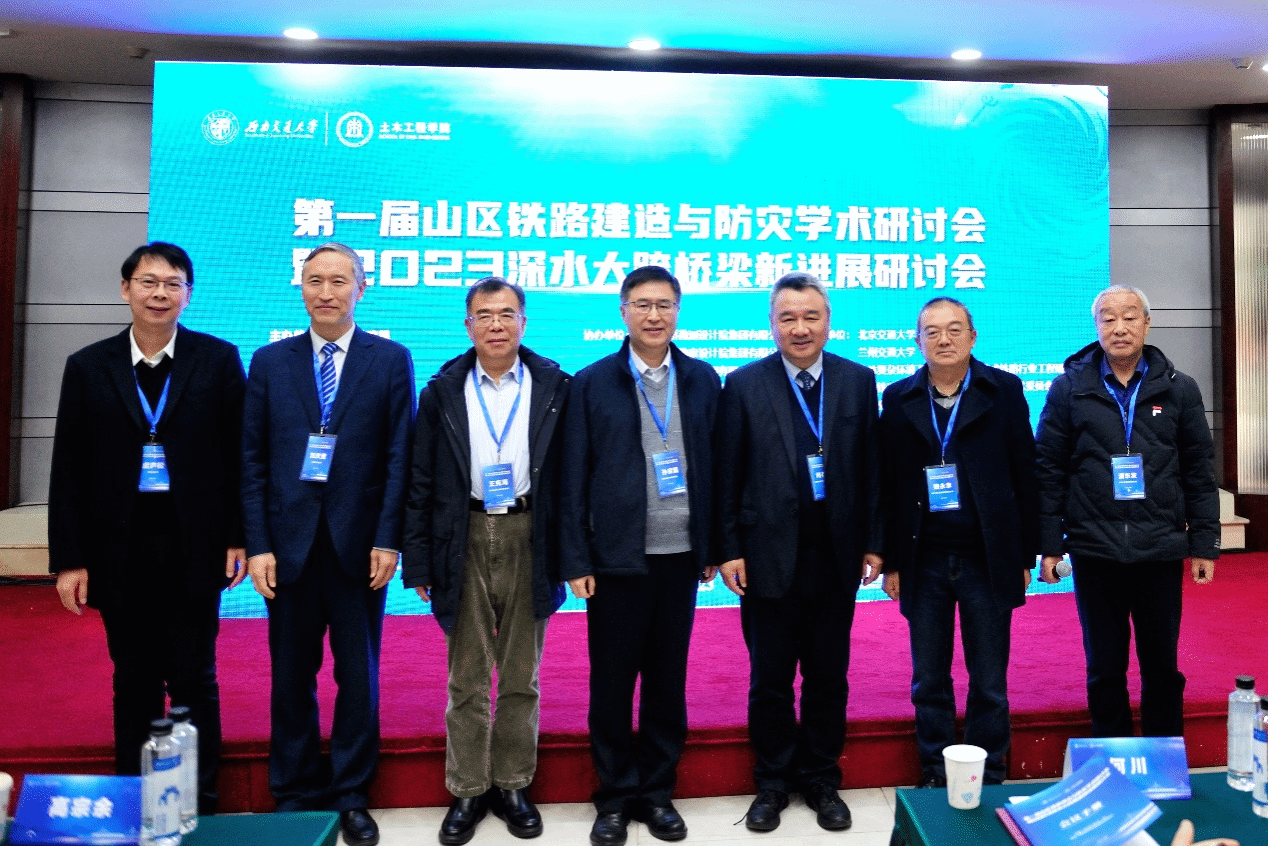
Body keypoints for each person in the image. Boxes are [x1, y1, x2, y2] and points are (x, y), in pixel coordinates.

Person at [48, 242, 246, 814]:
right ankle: (134, 797)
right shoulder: (89, 366)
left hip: (195, 546)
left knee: (194, 676)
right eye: (148, 282)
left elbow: (239, 456)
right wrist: (70, 559)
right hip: (118, 548)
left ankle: (198, 799)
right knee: (133, 676)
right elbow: (69, 467)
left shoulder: (217, 359)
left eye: (173, 284)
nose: (160, 293)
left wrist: (238, 537)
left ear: (188, 294)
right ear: (126, 289)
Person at [241, 242, 415, 846]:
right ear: (300, 287)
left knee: (358, 675)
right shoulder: (270, 361)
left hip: (358, 547)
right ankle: (293, 791)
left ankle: (351, 792)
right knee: (291, 676)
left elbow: (399, 457)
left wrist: (389, 538)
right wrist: (257, 543)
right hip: (286, 547)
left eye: (339, 281)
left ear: (361, 288)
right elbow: (252, 459)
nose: (326, 292)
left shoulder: (389, 359)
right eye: (314, 280)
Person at [401, 277, 569, 845]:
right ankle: (469, 787)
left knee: (522, 673)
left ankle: (514, 783)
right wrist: (419, 562)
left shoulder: (555, 387)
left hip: (530, 535)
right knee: (467, 676)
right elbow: (420, 481)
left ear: (524, 322)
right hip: (463, 534)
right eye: (484, 315)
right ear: (467, 325)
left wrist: (570, 555)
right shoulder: (441, 392)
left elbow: (570, 479)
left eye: (506, 314)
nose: (496, 325)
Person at [714, 271, 883, 833]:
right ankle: (771, 781)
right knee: (770, 679)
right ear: (772, 324)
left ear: (828, 322)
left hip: (836, 556)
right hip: (766, 557)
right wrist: (729, 548)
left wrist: (876, 543)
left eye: (811, 316)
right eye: (788, 317)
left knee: (828, 678)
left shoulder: (857, 381)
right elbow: (727, 473)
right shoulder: (743, 384)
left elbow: (872, 469)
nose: (800, 328)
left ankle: (820, 777)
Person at [559, 266, 721, 846]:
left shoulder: (702, 379)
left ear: (678, 311)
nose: (655, 315)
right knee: (611, 684)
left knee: (666, 683)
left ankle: (656, 792)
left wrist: (713, 546)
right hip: (616, 559)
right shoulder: (591, 382)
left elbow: (718, 468)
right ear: (623, 311)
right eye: (643, 304)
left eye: (665, 304)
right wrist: (576, 559)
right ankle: (614, 796)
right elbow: (572, 476)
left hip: (680, 556)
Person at [1036, 284, 1219, 738]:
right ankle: (1110, 755)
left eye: (1130, 317)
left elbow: (1198, 469)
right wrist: (1049, 545)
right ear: (1096, 326)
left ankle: (1164, 754)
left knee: (1162, 665)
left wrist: (1204, 544)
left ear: (1147, 324)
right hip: (1094, 549)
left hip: (1160, 549)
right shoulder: (1069, 388)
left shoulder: (1179, 389)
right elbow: (1049, 471)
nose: (1119, 327)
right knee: (1104, 666)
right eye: (1108, 318)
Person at [879, 297, 1038, 787]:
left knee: (988, 680)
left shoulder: (1004, 390)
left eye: (954, 329)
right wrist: (892, 560)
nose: (943, 339)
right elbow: (888, 484)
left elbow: (1025, 473)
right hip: (923, 557)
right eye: (932, 331)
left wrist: (1025, 554)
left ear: (973, 336)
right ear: (917, 341)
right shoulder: (898, 398)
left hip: (986, 557)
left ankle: (989, 772)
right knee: (929, 678)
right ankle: (934, 769)